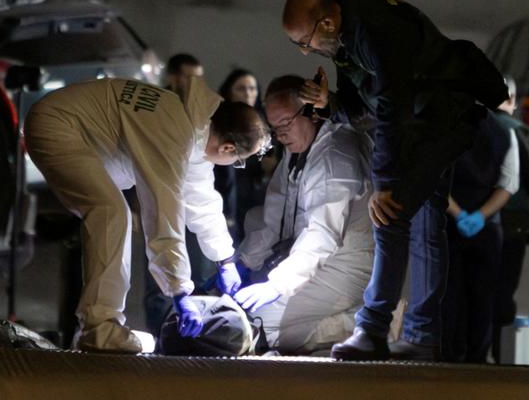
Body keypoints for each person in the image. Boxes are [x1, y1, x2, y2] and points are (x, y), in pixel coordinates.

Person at [281, 0, 508, 360]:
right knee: (425, 226)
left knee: (390, 214)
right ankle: (422, 336)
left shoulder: (376, 30)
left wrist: (386, 183)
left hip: (442, 118)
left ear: (326, 21)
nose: (306, 51)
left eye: (304, 42)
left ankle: (373, 329)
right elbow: (363, 107)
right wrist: (329, 104)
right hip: (429, 120)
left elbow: (392, 106)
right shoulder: (345, 37)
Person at [24, 76, 270, 352]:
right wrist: (179, 290)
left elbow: (201, 200)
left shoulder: (192, 126)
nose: (233, 165)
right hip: (59, 126)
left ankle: (99, 326)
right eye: (238, 161)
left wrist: (225, 259)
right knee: (111, 213)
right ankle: (100, 328)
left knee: (112, 212)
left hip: (68, 124)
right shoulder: (173, 132)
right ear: (227, 148)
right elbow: (163, 212)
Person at [232, 75, 374, 354]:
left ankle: (364, 322)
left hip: (346, 263)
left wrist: (277, 285)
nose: (281, 134)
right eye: (275, 127)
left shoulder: (335, 156)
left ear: (312, 112)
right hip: (315, 259)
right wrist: (243, 263)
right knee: (247, 316)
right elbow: (274, 215)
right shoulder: (299, 149)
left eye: (286, 123)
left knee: (261, 326)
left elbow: (321, 235)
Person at [144, 52, 214, 337]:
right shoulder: (155, 109)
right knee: (158, 274)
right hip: (157, 200)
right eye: (189, 77)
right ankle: (162, 332)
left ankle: (187, 330)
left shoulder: (201, 116)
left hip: (190, 206)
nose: (194, 84)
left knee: (193, 272)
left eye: (199, 78)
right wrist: (139, 207)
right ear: (173, 77)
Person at [442, 110, 520, 363]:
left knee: (449, 295)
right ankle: (477, 360)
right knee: (483, 298)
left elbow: (433, 178)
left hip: (449, 225)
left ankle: (450, 356)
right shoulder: (504, 132)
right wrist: (480, 216)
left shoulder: (446, 125)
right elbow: (509, 183)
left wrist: (458, 213)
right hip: (487, 228)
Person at [490, 80, 529, 363]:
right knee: (504, 290)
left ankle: (469, 355)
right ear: (511, 98)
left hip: (475, 219)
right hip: (513, 219)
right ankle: (500, 360)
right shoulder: (520, 131)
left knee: (475, 287)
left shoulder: (470, 127)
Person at [217, 69, 269, 244]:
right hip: (225, 194)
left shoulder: (267, 124)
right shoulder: (217, 122)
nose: (248, 93)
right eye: (241, 88)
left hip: (255, 197)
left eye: (252, 88)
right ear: (229, 91)